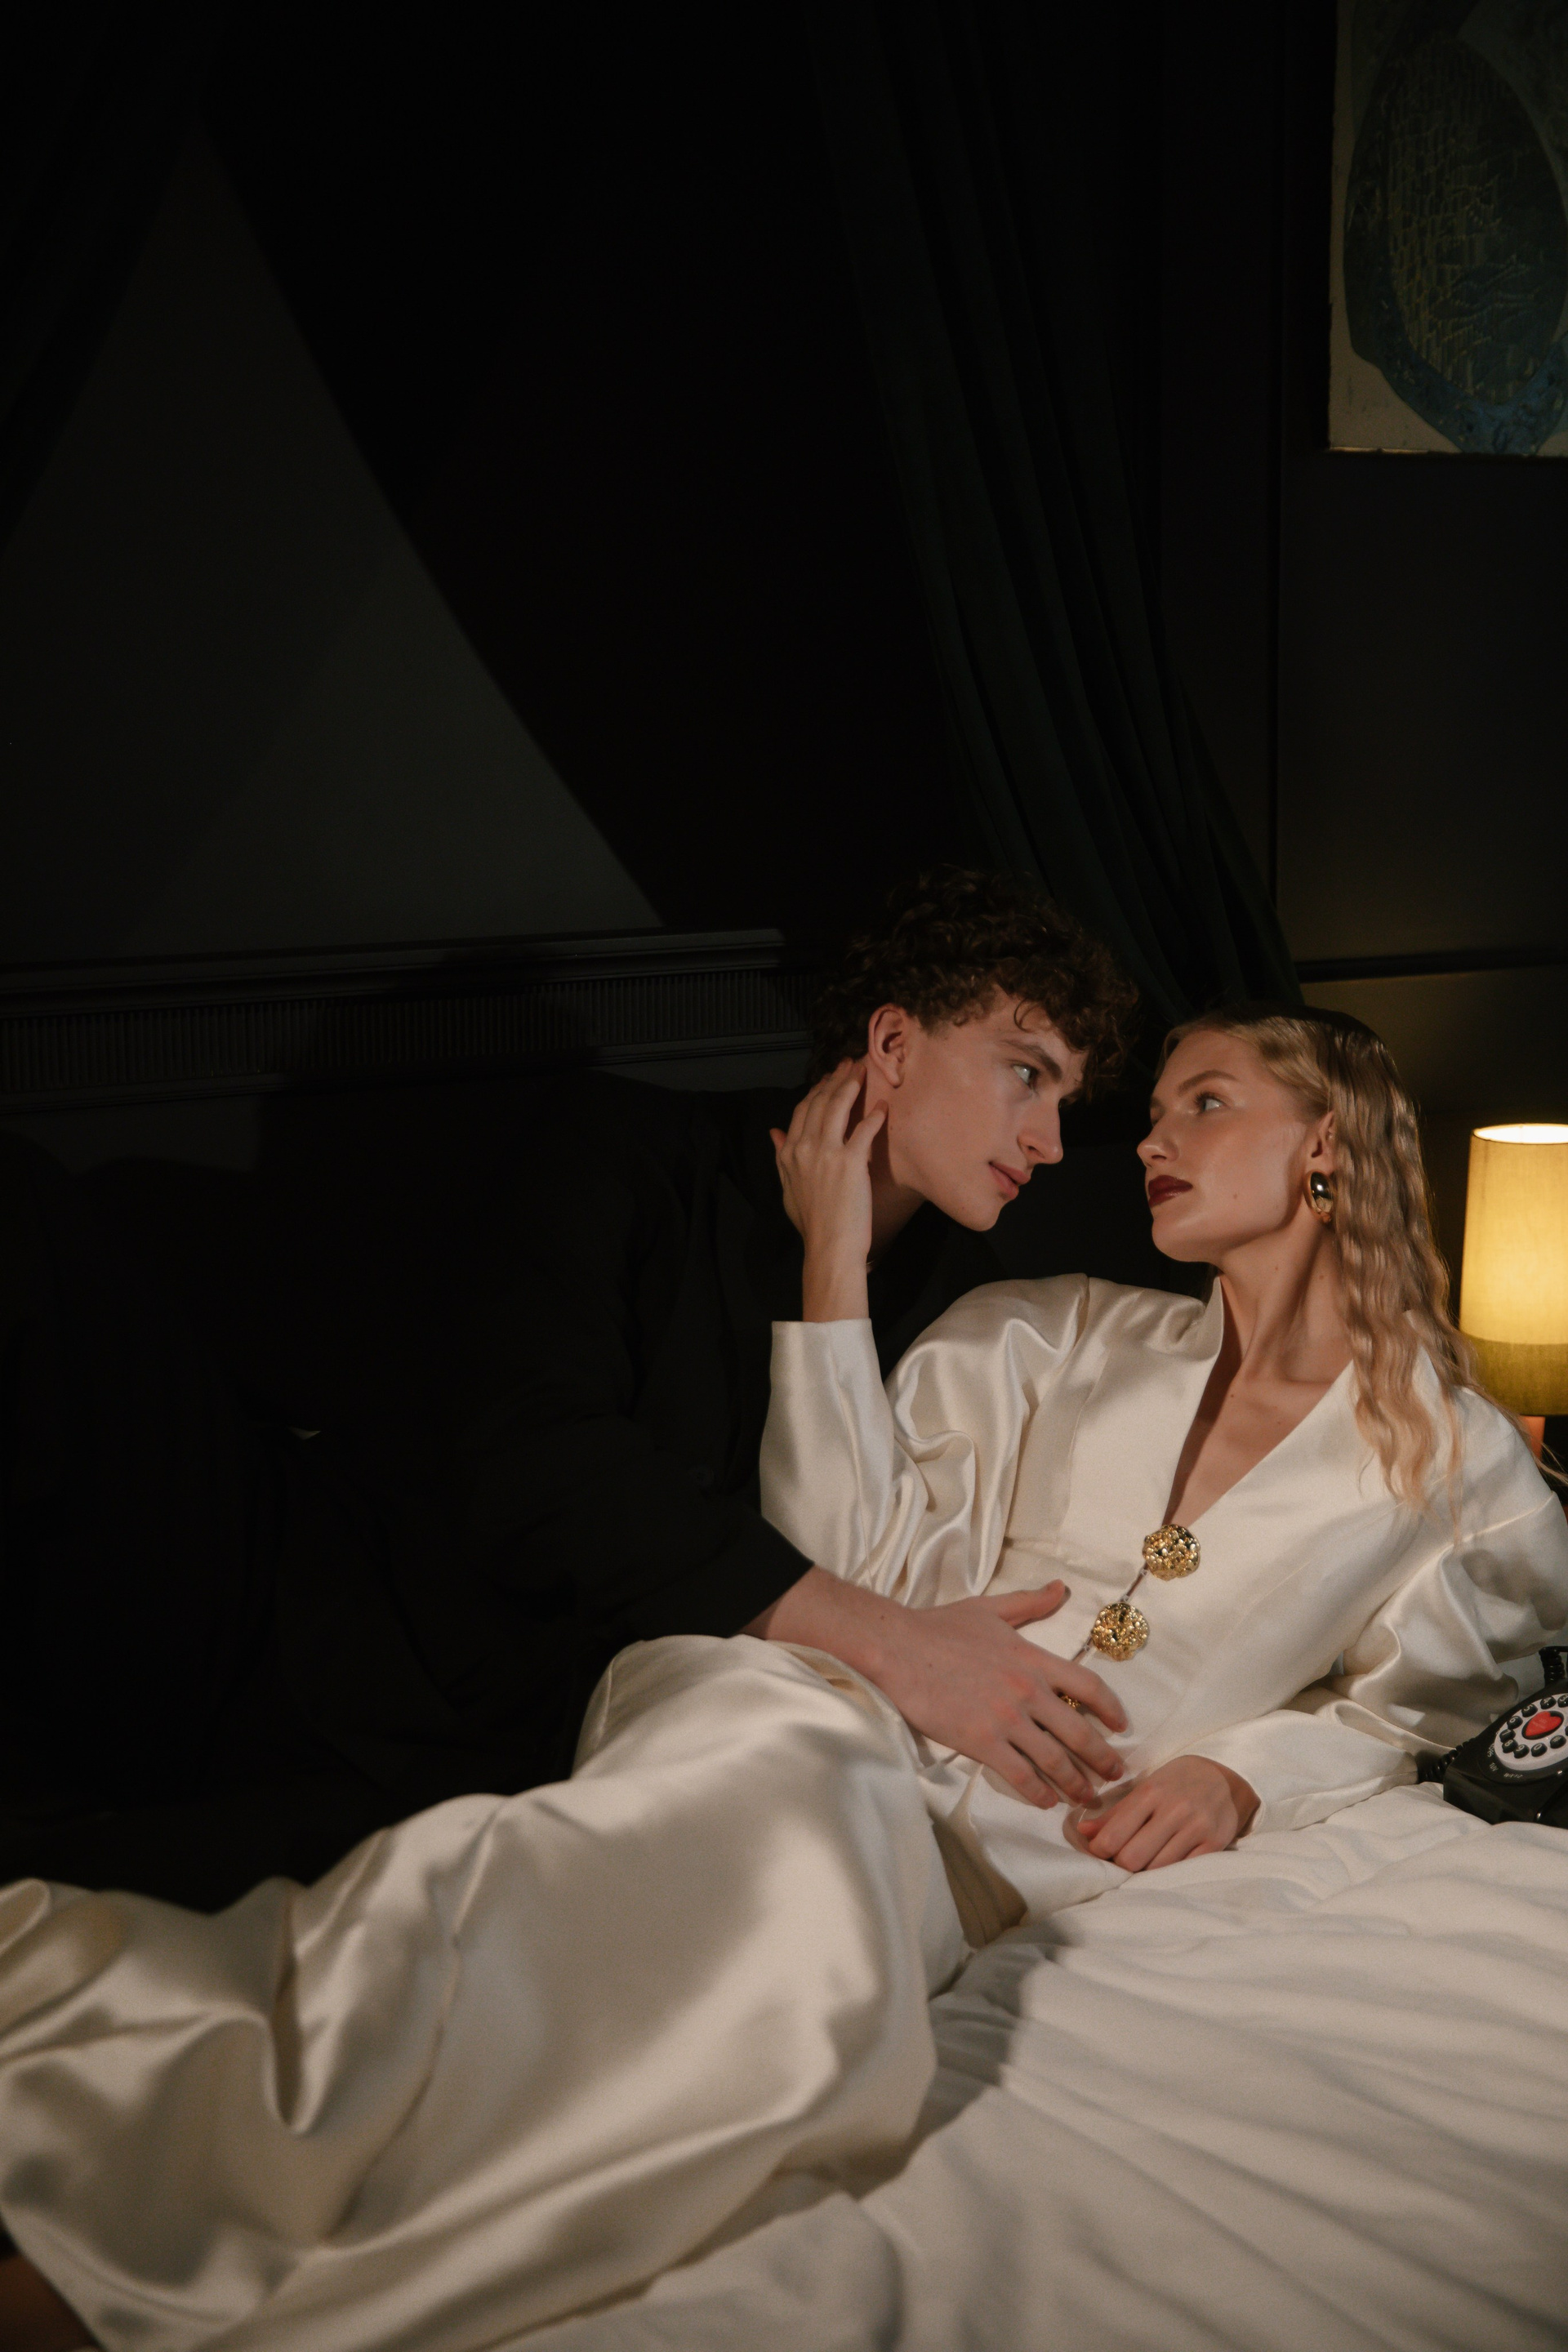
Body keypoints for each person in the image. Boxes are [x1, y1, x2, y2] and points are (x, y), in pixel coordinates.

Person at [2, 1002, 1561, 2352]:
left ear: (1328, 1144)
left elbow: (1416, 1707)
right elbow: (839, 1557)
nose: (1146, 1139)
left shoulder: (1458, 1469)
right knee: (735, 1879)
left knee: (747, 2003)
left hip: (1010, 1850)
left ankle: (190, 2209)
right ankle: (164, 2184)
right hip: (802, 1707)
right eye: (1148, 1111)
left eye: (1202, 1103)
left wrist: (1241, 1775)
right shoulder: (1044, 1335)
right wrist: (833, 1266)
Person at [0, 868, 1137, 1907]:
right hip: (309, 1612)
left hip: (536, 1754)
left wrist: (835, 1274)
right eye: (1025, 1074)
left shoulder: (974, 1312)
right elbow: (535, 1459)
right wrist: (889, 1642)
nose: (1048, 1141)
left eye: (1065, 1101)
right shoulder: (634, 1149)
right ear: (892, 1043)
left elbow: (910, 1549)